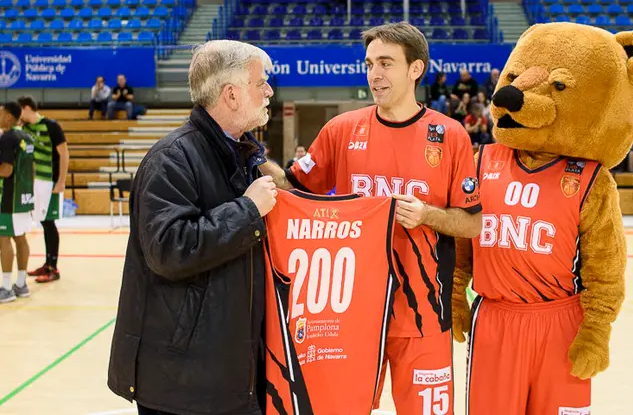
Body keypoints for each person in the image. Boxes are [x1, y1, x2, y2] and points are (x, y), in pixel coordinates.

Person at [258, 22, 482, 414]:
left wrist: (427, 215)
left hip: (423, 312)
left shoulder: (450, 136)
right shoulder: (342, 130)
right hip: (352, 316)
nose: (374, 74)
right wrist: (248, 152)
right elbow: (292, 188)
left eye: (386, 63)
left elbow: (472, 223)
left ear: (416, 68)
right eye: (369, 64)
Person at [107, 40, 278, 414]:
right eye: (260, 83)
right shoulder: (172, 159)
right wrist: (248, 209)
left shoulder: (242, 155)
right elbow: (169, 249)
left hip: (228, 373)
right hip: (183, 384)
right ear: (231, 95)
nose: (269, 91)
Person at [17, 96, 68, 283]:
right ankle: (47, 264)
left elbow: (64, 153)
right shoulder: (25, 128)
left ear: (28, 108)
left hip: (51, 181)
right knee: (43, 222)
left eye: (20, 110)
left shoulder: (51, 125)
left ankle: (53, 267)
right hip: (35, 182)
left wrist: (61, 181)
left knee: (49, 222)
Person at [0, 102, 35, 303]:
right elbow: (32, 168)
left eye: (1, 113)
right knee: (20, 238)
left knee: (3, 238)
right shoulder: (26, 136)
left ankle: (5, 287)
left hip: (9, 197)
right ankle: (21, 284)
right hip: (24, 196)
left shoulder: (7, 138)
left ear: (9, 117)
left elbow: (6, 170)